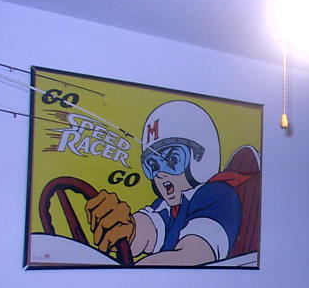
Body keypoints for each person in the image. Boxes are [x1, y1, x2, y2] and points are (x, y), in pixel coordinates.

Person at [85, 100, 241, 266]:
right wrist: (126, 227)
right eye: (153, 165)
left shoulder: (217, 196)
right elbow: (148, 228)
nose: (160, 174)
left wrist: (133, 272)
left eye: (172, 160)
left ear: (199, 157)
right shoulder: (168, 206)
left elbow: (194, 256)